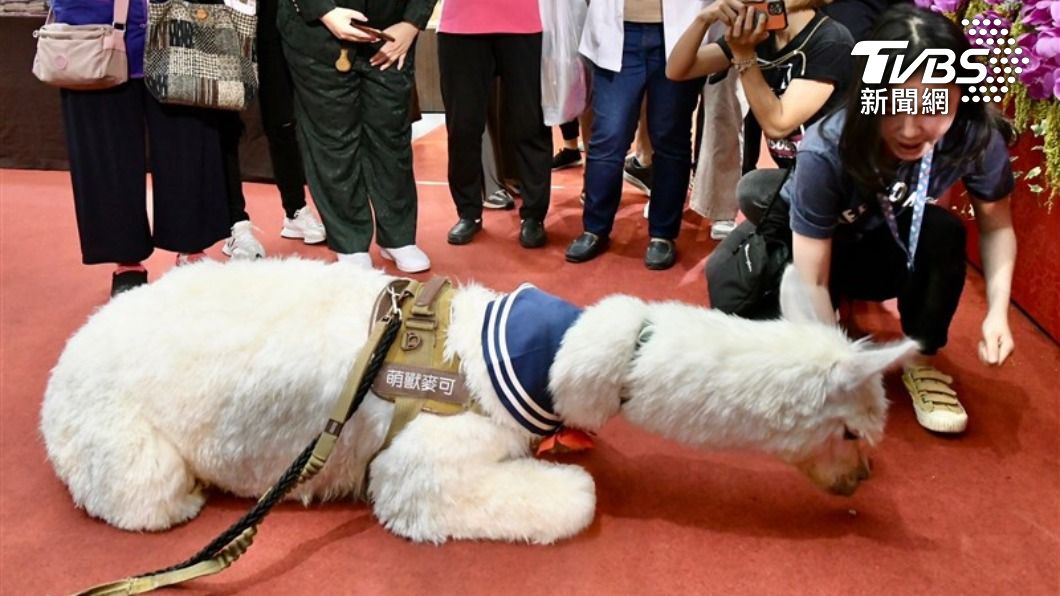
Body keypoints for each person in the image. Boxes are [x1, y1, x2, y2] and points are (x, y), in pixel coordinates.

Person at [737, 4, 1017, 434]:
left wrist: (998, 313)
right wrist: (835, 367)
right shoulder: (827, 145)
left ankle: (923, 360)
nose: (910, 129)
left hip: (889, 242)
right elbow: (812, 276)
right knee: (751, 323)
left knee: (942, 232)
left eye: (933, 105)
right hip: (822, 244)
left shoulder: (975, 136)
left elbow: (997, 226)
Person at [50, 0, 230, 297]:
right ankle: (126, 260)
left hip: (179, 25)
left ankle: (192, 247)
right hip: (93, 30)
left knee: (188, 143)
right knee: (108, 154)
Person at [667, 0, 854, 236]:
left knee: (752, 190)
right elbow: (677, 69)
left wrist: (744, 56)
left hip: (836, 180)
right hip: (797, 174)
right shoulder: (760, 33)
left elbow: (778, 123)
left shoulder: (831, 40)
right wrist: (702, 20)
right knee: (725, 266)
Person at [277, 0, 435, 272]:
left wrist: (412, 23)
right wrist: (324, 12)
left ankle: (398, 237)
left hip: (391, 35)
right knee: (333, 141)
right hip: (316, 35)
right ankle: (349, 241)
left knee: (391, 138)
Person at [568, 0, 708, 270]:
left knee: (671, 137)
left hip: (681, 32)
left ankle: (663, 233)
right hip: (617, 33)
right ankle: (595, 228)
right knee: (608, 136)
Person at [439, 0, 552, 249]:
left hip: (525, 22)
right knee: (463, 126)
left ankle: (534, 215)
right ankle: (468, 211)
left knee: (529, 123)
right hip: (460, 25)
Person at [221, 0, 327, 261]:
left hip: (271, 17)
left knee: (282, 120)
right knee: (226, 124)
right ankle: (235, 223)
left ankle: (295, 210)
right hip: (221, 17)